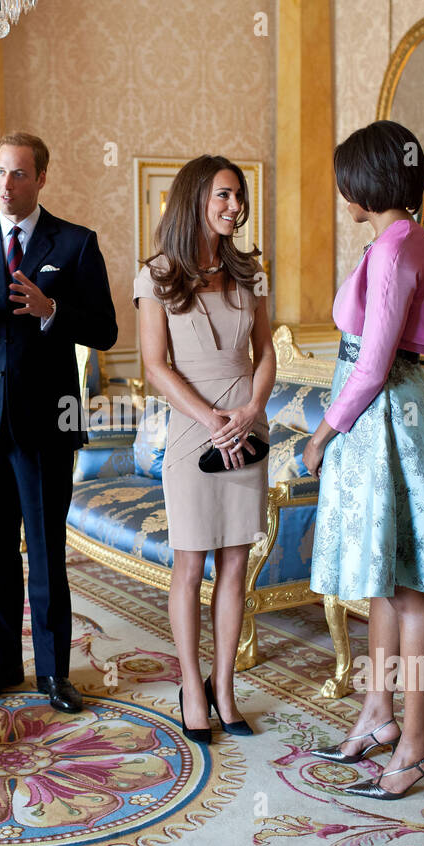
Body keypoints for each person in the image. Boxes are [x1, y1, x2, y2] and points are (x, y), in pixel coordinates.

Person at [302, 120, 424, 799]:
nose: (341, 187)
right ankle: (378, 716)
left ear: (367, 180)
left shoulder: (397, 248)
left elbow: (372, 364)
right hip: (386, 418)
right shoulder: (398, 239)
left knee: (413, 587)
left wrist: (323, 434)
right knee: (385, 577)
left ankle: (418, 747)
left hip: (387, 419)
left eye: (346, 175)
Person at [0, 131, 118, 714]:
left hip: (48, 423)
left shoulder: (75, 243)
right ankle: (2, 665)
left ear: (41, 178)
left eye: (18, 174)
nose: (6, 185)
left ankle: (53, 674)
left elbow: (106, 330)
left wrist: (53, 313)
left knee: (44, 553)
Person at [134, 155, 273, 744]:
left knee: (237, 561)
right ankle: (192, 684)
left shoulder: (251, 273)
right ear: (196, 198)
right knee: (191, 563)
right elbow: (154, 365)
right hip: (194, 429)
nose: (234, 206)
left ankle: (225, 686)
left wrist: (247, 411)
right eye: (223, 195)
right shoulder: (156, 274)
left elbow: (266, 353)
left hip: (246, 423)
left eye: (238, 196)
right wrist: (211, 417)